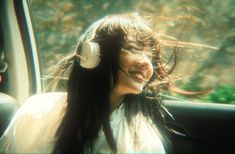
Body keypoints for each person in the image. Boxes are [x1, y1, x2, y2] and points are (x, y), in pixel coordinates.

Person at [0, 13, 183, 154]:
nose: (146, 63)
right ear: (91, 54)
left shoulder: (144, 140)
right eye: (133, 48)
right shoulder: (36, 110)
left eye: (150, 56)